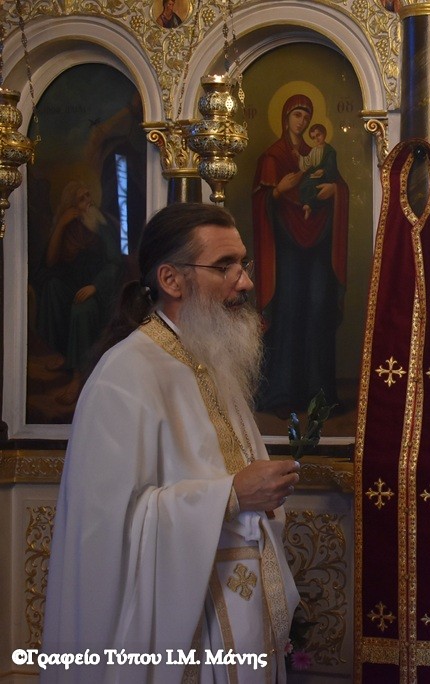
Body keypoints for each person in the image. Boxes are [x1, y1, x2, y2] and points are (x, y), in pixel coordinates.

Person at [42, 203, 301, 683]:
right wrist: (230, 495)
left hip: (236, 626)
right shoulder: (124, 375)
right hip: (176, 644)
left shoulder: (214, 362)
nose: (244, 281)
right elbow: (104, 535)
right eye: (224, 266)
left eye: (242, 264)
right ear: (171, 279)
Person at [252, 94, 349, 414]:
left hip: (318, 245)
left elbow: (340, 187)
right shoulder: (273, 156)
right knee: (289, 310)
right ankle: (282, 393)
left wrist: (336, 190)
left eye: (307, 116)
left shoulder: (316, 155)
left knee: (318, 310)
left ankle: (318, 393)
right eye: (297, 114)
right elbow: (261, 202)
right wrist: (278, 191)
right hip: (286, 250)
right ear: (285, 117)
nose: (303, 121)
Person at [35, 181, 123, 379]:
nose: (88, 202)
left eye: (88, 196)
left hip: (101, 290)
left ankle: (78, 375)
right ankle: (63, 355)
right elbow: (50, 263)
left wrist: (95, 286)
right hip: (74, 286)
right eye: (82, 199)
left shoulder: (101, 225)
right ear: (72, 204)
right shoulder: (70, 226)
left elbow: (115, 263)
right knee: (51, 287)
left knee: (81, 309)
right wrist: (60, 225)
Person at [294, 123, 341, 220]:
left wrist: (323, 170)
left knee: (313, 185)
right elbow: (308, 161)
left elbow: (331, 167)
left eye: (318, 135)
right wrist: (299, 156)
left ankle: (310, 205)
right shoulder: (314, 150)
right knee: (304, 185)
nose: (317, 139)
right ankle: (307, 205)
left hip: (324, 177)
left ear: (324, 134)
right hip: (314, 174)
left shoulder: (330, 151)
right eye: (313, 137)